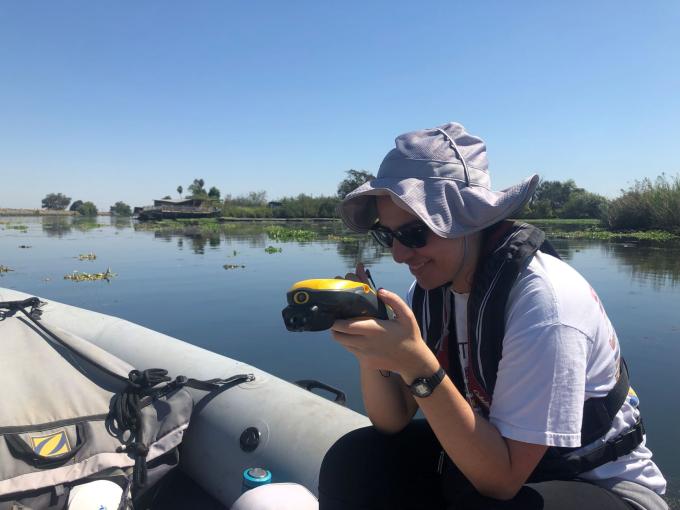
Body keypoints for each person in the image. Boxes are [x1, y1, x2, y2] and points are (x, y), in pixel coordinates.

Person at [318, 122, 667, 510]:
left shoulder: (545, 304)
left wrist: (416, 364)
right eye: (389, 236)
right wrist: (375, 349)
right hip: (501, 461)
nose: (399, 255)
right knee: (355, 461)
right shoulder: (429, 292)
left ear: (471, 219)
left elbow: (501, 482)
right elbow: (392, 420)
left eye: (416, 233)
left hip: (601, 485)